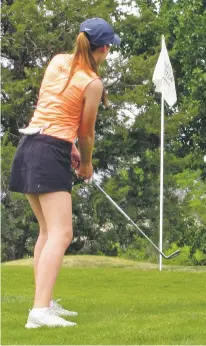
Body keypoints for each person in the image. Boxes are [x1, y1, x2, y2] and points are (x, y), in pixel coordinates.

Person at [9, 17, 121, 329]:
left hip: (31, 144)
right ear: (104, 48)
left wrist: (66, 145)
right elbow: (86, 134)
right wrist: (85, 162)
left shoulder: (58, 60)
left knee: (47, 232)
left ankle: (43, 302)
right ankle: (39, 312)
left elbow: (54, 108)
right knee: (62, 233)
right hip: (48, 152)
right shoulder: (93, 82)